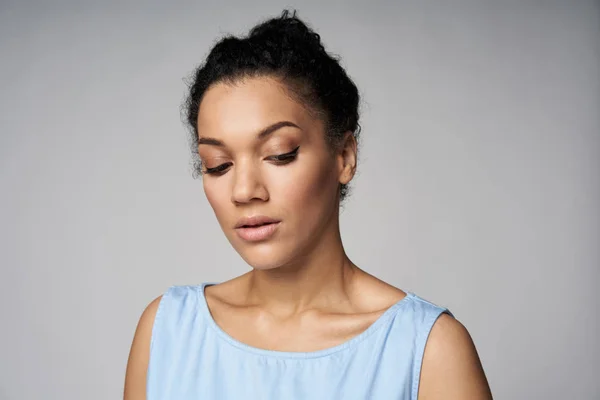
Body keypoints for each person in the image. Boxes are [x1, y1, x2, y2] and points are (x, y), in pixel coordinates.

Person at [123, 10, 493, 400]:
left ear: (344, 157)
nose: (244, 190)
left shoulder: (428, 350)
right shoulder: (166, 332)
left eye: (279, 154)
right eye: (219, 165)